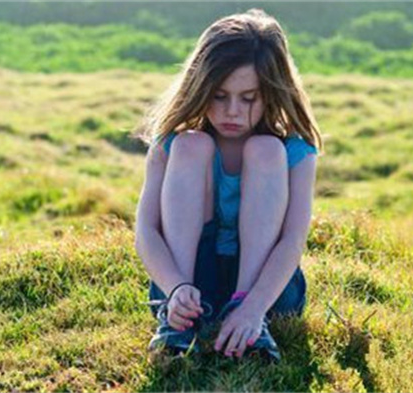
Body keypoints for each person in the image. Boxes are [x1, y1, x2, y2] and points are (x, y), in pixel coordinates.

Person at [134, 8, 323, 362]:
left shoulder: (295, 151)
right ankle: (178, 322)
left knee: (266, 150)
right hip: (185, 280)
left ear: (271, 93)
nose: (232, 111)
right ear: (200, 88)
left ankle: (251, 320)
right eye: (219, 96)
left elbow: (292, 240)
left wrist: (253, 307)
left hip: (267, 289)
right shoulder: (171, 146)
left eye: (248, 98)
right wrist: (175, 287)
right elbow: (145, 229)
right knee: (192, 144)